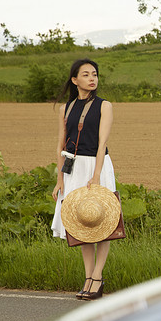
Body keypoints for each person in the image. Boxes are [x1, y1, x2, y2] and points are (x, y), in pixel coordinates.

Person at [50, 59, 116, 300]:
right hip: (73, 168)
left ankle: (98, 277)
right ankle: (88, 277)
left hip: (96, 165)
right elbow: (60, 144)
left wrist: (96, 175)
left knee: (103, 222)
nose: (92, 78)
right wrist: (60, 179)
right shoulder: (65, 109)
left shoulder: (104, 106)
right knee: (82, 223)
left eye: (95, 74)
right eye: (86, 74)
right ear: (74, 80)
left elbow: (102, 143)